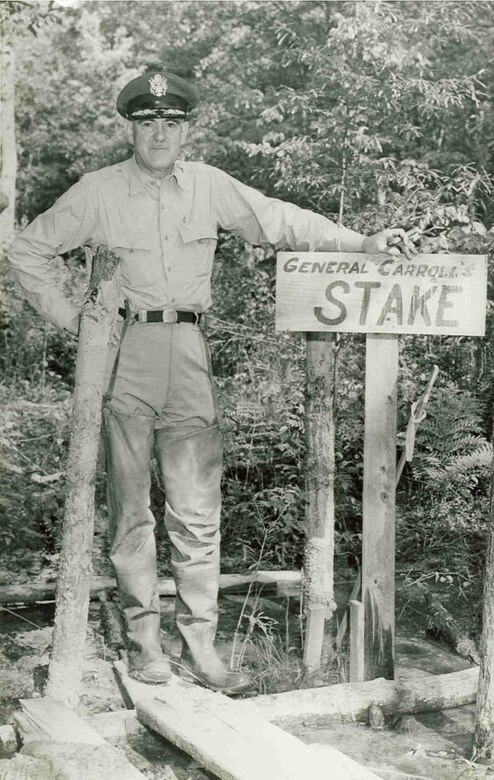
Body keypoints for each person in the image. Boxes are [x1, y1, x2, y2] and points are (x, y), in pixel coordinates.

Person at [8, 70, 414, 693]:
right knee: (131, 511)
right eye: (148, 124)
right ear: (132, 129)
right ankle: (145, 642)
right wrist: (76, 319)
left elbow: (277, 219)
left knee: (197, 511)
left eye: (172, 124)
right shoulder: (98, 192)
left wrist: (361, 242)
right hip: (126, 356)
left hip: (190, 354)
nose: (160, 135)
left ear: (187, 129)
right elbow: (27, 249)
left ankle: (201, 644)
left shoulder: (209, 186)